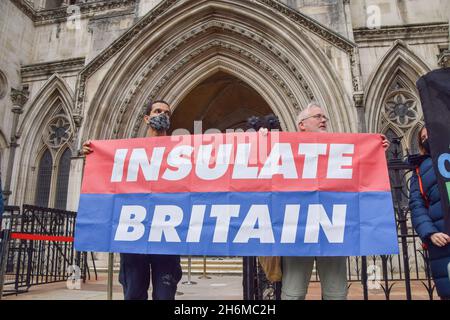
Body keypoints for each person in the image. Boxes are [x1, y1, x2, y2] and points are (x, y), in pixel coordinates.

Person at [281, 102, 390, 300]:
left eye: (325, 117)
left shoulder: (340, 149)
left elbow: (360, 176)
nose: (324, 120)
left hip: (331, 227)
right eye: (318, 116)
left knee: (336, 294)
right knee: (293, 294)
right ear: (302, 124)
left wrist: (375, 149)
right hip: (298, 228)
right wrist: (261, 139)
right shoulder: (285, 149)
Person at [82, 100, 182, 300]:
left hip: (166, 235)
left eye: (167, 113)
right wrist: (95, 156)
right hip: (134, 234)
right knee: (134, 293)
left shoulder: (180, 152)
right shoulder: (128, 152)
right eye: (157, 111)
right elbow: (109, 180)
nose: (162, 115)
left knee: (165, 295)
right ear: (147, 118)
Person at [409, 126, 450, 300]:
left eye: (430, 134)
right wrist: (431, 233)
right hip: (442, 242)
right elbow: (417, 207)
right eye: (423, 137)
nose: (427, 138)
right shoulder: (419, 171)